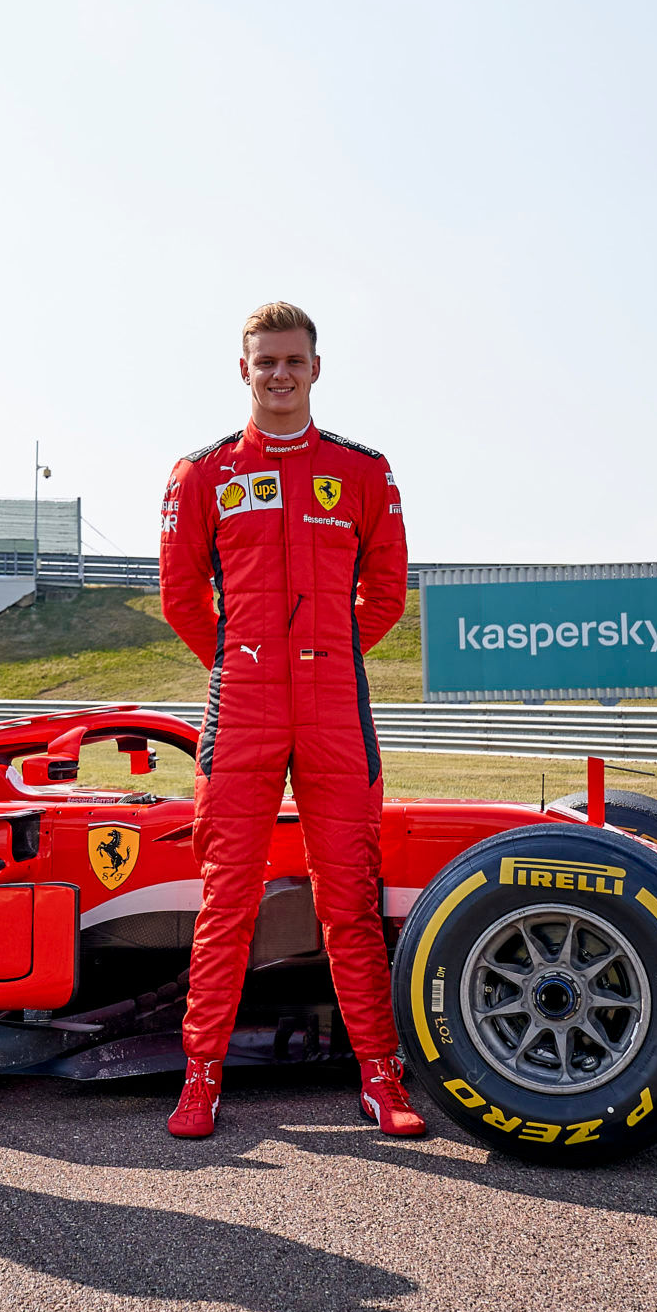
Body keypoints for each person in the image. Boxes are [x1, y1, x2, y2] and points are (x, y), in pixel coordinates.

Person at [155, 301, 426, 1140]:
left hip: (335, 705)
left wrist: (325, 654)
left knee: (349, 893)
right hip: (240, 707)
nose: (279, 374)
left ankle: (381, 1075)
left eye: (293, 360)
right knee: (225, 896)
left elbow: (384, 594)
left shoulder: (364, 471)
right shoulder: (200, 474)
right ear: (244, 369)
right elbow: (179, 598)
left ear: (316, 367)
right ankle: (199, 1077)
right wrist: (244, 659)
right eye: (264, 360)